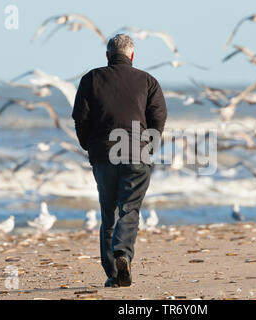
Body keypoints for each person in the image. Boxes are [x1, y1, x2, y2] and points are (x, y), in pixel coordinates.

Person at [71, 34, 167, 287]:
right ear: (132, 56)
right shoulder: (148, 80)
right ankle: (123, 254)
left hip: (104, 154)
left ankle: (114, 273)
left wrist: (90, 146)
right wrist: (148, 147)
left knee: (109, 212)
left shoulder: (91, 79)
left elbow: (80, 119)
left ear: (107, 56)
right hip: (137, 153)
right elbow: (158, 119)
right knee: (129, 209)